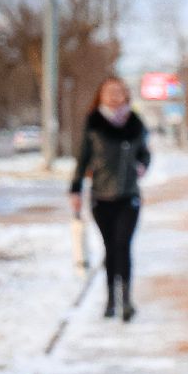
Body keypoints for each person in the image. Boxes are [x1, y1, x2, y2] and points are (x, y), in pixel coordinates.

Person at [69, 76, 150, 321]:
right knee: (110, 248)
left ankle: (126, 301)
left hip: (129, 197)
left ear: (126, 95)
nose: (114, 96)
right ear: (101, 96)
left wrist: (142, 166)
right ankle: (110, 300)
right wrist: (75, 190)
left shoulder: (135, 123)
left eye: (119, 92)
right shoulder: (93, 123)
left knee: (123, 246)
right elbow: (83, 159)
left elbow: (144, 154)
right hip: (101, 198)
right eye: (108, 92)